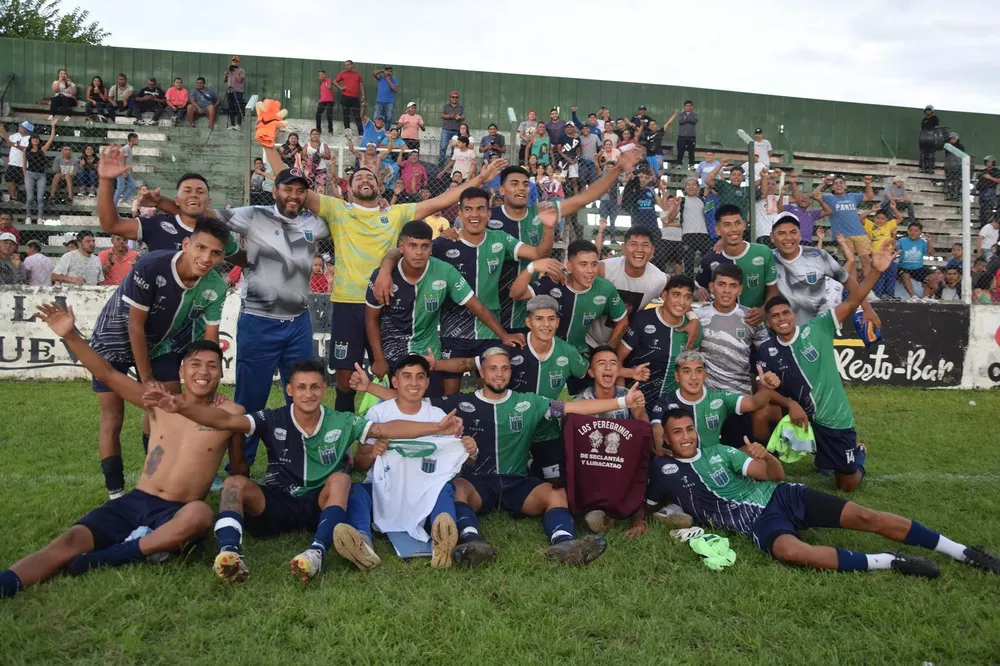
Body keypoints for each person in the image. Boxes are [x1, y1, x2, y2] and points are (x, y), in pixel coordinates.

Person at [0, 302, 247, 601]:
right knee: (71, 538)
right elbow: (108, 374)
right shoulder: (158, 402)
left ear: (221, 372)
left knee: (201, 513)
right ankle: (7, 583)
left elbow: (239, 467)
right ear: (182, 370)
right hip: (138, 500)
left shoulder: (231, 413)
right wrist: (70, 335)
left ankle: (111, 556)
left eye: (212, 366)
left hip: (179, 510)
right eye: (195, 364)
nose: (203, 372)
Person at [260, 128, 510, 421]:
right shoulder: (337, 209)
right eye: (358, 177)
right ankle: (346, 433)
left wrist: (479, 179)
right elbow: (291, 184)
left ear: (380, 184)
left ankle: (398, 431)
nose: (364, 180)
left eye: (370, 176)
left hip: (387, 305)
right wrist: (269, 146)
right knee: (345, 382)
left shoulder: (396, 213)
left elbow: (442, 201)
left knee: (395, 374)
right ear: (349, 188)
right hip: (348, 304)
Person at [143, 358, 463, 581]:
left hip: (317, 506)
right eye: (301, 387)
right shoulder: (272, 418)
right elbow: (226, 420)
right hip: (276, 502)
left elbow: (387, 428)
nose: (308, 394)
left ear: (324, 389)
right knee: (234, 484)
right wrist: (182, 407)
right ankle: (230, 554)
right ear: (289, 390)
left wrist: (437, 426)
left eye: (314, 387)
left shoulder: (342, 421)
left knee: (341, 479)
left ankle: (316, 553)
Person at [351, 346, 647, 566]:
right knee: (455, 490)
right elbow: (409, 396)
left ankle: (564, 543)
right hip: (478, 482)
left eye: (505, 368)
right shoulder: (458, 402)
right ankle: (471, 543)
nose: (499, 374)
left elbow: (572, 408)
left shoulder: (529, 403)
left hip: (517, 480)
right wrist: (369, 387)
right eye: (493, 368)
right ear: (481, 372)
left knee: (557, 495)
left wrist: (622, 401)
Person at [640, 408, 1000, 578]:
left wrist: (767, 457)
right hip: (757, 524)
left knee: (866, 516)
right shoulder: (662, 470)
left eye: (689, 429)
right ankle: (890, 560)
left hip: (784, 496)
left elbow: (773, 475)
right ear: (666, 439)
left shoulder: (721, 452)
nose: (686, 436)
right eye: (677, 432)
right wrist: (646, 521)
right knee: (791, 552)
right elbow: (648, 505)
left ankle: (964, 552)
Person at [87, 218, 231, 497]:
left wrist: (209, 390)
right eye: (201, 248)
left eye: (215, 253)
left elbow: (210, 341)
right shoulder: (151, 265)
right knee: (112, 416)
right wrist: (147, 379)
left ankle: (154, 480)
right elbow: (135, 327)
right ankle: (115, 493)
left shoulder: (216, 286)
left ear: (222, 256)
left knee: (166, 408)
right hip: (112, 340)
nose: (206, 258)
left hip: (159, 344)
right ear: (186, 244)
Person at [375, 188, 550, 395]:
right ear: (459, 213)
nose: (474, 214)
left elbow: (538, 253)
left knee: (490, 393)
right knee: (448, 396)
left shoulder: (500, 239)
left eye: (480, 209)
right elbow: (401, 251)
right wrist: (385, 269)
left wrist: (548, 227)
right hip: (453, 331)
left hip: (489, 330)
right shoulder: (443, 243)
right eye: (468, 209)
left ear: (489, 213)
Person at [758, 239, 895, 492]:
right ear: (769, 323)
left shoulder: (819, 327)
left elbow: (852, 302)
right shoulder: (767, 349)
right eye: (775, 316)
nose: (782, 319)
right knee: (762, 411)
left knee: (846, 484)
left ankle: (858, 452)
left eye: (785, 313)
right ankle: (768, 460)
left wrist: (875, 271)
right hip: (798, 416)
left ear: (793, 315)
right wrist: (787, 401)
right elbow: (763, 388)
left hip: (832, 417)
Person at [350, 355, 478, 569]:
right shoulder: (378, 413)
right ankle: (362, 543)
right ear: (395, 382)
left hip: (423, 492)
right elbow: (359, 463)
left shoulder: (438, 416)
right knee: (356, 492)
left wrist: (470, 450)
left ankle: (443, 539)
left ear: (427, 382)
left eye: (420, 377)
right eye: (407, 376)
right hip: (384, 491)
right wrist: (373, 453)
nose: (414, 383)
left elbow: (457, 462)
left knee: (445, 489)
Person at [365, 220, 519, 385]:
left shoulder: (445, 272)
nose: (419, 252)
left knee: (434, 399)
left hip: (428, 353)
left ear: (431, 248)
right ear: (401, 247)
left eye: (425, 246)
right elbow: (371, 319)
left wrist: (503, 335)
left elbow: (477, 306)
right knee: (396, 399)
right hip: (392, 352)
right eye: (412, 246)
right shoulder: (382, 277)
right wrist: (379, 359)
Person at [511, 240, 628, 392]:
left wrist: (607, 351)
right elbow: (516, 294)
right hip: (543, 350)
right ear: (569, 266)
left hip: (578, 352)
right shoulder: (554, 281)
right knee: (535, 394)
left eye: (594, 264)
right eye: (583, 264)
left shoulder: (605, 289)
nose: (590, 271)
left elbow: (622, 321)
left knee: (587, 395)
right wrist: (531, 267)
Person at [97, 147, 238, 255]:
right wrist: (105, 180)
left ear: (209, 201)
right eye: (187, 191)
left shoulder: (219, 233)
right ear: (177, 200)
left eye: (200, 192)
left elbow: (242, 260)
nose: (194, 195)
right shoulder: (157, 224)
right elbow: (111, 225)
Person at [770, 213, 880, 327]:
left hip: (819, 328)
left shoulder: (818, 256)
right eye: (781, 233)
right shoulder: (767, 259)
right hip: (783, 328)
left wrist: (868, 309)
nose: (788, 237)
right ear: (772, 237)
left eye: (793, 232)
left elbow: (848, 281)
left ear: (800, 235)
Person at [617, 274, 700, 405]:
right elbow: (618, 359)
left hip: (671, 406)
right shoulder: (642, 319)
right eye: (676, 294)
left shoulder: (694, 328)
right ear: (664, 295)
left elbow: (693, 369)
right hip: (636, 402)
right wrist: (622, 398)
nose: (682, 302)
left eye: (687, 297)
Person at [586, 225, 668, 348]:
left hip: (625, 344)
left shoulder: (659, 280)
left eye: (645, 245)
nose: (639, 249)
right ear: (623, 248)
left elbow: (680, 295)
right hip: (589, 339)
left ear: (652, 250)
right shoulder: (604, 269)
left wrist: (692, 318)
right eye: (633, 244)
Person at [695, 203, 778, 317]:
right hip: (723, 324)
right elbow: (698, 288)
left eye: (737, 223)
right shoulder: (710, 259)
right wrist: (696, 291)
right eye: (727, 225)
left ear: (744, 225)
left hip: (756, 320)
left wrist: (763, 310)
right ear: (718, 230)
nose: (734, 229)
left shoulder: (763, 252)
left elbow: (773, 291)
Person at [813, 175, 876, 276]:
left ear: (845, 186)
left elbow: (869, 197)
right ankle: (854, 285)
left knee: (866, 260)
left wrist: (868, 184)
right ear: (833, 187)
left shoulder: (852, 196)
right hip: (843, 236)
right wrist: (823, 183)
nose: (839, 185)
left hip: (860, 233)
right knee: (851, 262)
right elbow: (814, 194)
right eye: (836, 183)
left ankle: (867, 285)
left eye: (841, 183)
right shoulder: (829, 197)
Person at [861, 202, 903, 298]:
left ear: (887, 220)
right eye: (877, 217)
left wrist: (893, 208)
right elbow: (861, 218)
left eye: (882, 218)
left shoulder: (889, 225)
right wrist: (872, 210)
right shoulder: (870, 225)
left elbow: (900, 218)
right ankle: (878, 294)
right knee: (879, 275)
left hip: (888, 255)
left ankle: (890, 295)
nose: (879, 220)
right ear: (874, 218)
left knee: (891, 273)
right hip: (876, 255)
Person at [22, 119, 58, 222]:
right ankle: (28, 217)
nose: (35, 140)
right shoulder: (26, 150)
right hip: (29, 174)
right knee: (30, 197)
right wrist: (25, 175)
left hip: (41, 175)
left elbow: (51, 139)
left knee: (40, 197)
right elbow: (24, 164)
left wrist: (53, 126)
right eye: (34, 138)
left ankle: (40, 217)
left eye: (37, 139)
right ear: (30, 140)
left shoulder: (42, 149)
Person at [780, 173, 832, 243]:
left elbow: (828, 211)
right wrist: (782, 194)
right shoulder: (790, 208)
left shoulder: (812, 214)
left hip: (807, 242)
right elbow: (780, 208)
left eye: (806, 198)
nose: (804, 199)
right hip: (793, 240)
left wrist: (820, 200)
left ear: (810, 202)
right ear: (797, 199)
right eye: (802, 197)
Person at [898, 221, 934, 298]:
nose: (913, 233)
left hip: (918, 268)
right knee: (905, 276)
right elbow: (895, 250)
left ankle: (925, 297)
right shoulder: (902, 241)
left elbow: (931, 254)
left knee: (932, 277)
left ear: (920, 232)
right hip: (904, 267)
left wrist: (929, 241)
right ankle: (913, 297)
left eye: (916, 231)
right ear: (907, 231)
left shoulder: (923, 242)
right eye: (910, 230)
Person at [333, 60, 365, 135]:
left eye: (348, 64)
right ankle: (348, 133)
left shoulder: (357, 74)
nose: (346, 66)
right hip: (345, 97)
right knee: (346, 115)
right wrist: (340, 88)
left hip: (355, 98)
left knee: (357, 116)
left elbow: (361, 85)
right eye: (345, 65)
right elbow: (334, 81)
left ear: (352, 65)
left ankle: (361, 133)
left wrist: (363, 95)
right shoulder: (343, 73)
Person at [5, 120, 32, 202]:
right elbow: (8, 141)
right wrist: (2, 129)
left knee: (26, 183)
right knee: (10, 180)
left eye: (21, 127)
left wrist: (15, 145)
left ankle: (27, 199)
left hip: (23, 165)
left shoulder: (29, 138)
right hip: (13, 163)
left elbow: (26, 149)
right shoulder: (16, 135)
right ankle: (13, 198)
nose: (19, 128)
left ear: (25, 129)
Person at [111, 132, 139, 208]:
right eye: (137, 139)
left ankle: (122, 201)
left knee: (133, 186)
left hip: (126, 170)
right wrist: (124, 171)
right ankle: (114, 204)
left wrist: (130, 168)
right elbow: (122, 159)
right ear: (133, 140)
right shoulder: (126, 148)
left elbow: (127, 160)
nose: (138, 140)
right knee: (120, 187)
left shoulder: (129, 148)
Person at [439, 92, 465, 165]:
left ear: (458, 98)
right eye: (453, 97)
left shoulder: (461, 107)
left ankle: (453, 165)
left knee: (455, 149)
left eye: (456, 97)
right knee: (443, 147)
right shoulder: (446, 106)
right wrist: (451, 116)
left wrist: (459, 117)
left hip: (456, 131)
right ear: (450, 98)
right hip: (446, 130)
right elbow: (442, 115)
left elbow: (464, 116)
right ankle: (441, 164)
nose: (454, 98)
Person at [222, 56, 246, 130]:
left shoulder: (241, 70)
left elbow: (239, 79)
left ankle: (238, 124)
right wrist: (225, 74)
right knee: (231, 108)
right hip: (230, 91)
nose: (235, 63)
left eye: (236, 61)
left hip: (238, 91)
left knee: (238, 107)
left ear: (238, 62)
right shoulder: (229, 71)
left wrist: (235, 71)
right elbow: (224, 80)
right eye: (233, 61)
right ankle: (232, 124)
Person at [976, 156, 1000, 228]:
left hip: (990, 190)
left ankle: (987, 226)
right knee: (982, 209)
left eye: (989, 162)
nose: (987, 163)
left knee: (988, 209)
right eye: (986, 162)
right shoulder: (984, 170)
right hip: (982, 191)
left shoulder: (995, 170)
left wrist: (990, 177)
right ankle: (982, 225)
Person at [944, 132, 965, 201]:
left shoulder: (961, 147)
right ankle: (949, 195)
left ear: (957, 139)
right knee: (949, 181)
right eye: (951, 139)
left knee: (956, 181)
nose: (952, 140)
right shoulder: (947, 146)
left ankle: (956, 195)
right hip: (949, 166)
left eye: (954, 139)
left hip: (957, 167)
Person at [676, 101, 698, 167]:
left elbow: (694, 121)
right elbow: (680, 121)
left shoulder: (694, 114)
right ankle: (679, 164)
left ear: (692, 107)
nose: (688, 107)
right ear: (684, 106)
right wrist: (689, 119)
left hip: (691, 136)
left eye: (689, 105)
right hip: (681, 136)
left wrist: (686, 118)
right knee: (680, 151)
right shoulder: (681, 114)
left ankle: (691, 165)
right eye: (687, 105)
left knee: (691, 151)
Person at [919, 105, 940, 174]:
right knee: (923, 154)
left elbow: (937, 127)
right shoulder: (924, 120)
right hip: (924, 139)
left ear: (932, 111)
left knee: (931, 154)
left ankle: (931, 168)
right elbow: (922, 129)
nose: (928, 112)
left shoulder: (934, 118)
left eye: (929, 110)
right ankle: (923, 168)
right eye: (927, 110)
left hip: (932, 139)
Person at [316, 70, 336, 135]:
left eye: (322, 74)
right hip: (322, 101)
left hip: (329, 101)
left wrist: (329, 86)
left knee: (329, 115)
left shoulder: (328, 80)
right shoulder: (321, 84)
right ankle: (318, 130)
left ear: (325, 75)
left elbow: (329, 84)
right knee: (318, 115)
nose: (321, 76)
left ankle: (330, 131)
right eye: (319, 75)